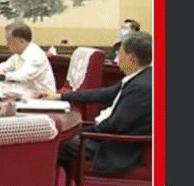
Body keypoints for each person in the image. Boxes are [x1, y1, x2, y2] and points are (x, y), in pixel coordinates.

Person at [44, 31, 152, 174]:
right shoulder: (141, 77)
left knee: (53, 145)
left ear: (131, 59)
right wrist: (61, 96)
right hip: (108, 138)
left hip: (115, 149)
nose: (117, 58)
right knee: (58, 141)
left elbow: (115, 124)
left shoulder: (141, 87)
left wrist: (83, 133)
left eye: (120, 54)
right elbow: (103, 93)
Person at [0, 22, 56, 99]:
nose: (7, 44)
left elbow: (22, 76)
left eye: (9, 40)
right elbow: (4, 66)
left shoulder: (36, 55)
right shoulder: (19, 54)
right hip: (26, 90)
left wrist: (3, 76)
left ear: (21, 41)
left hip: (43, 96)